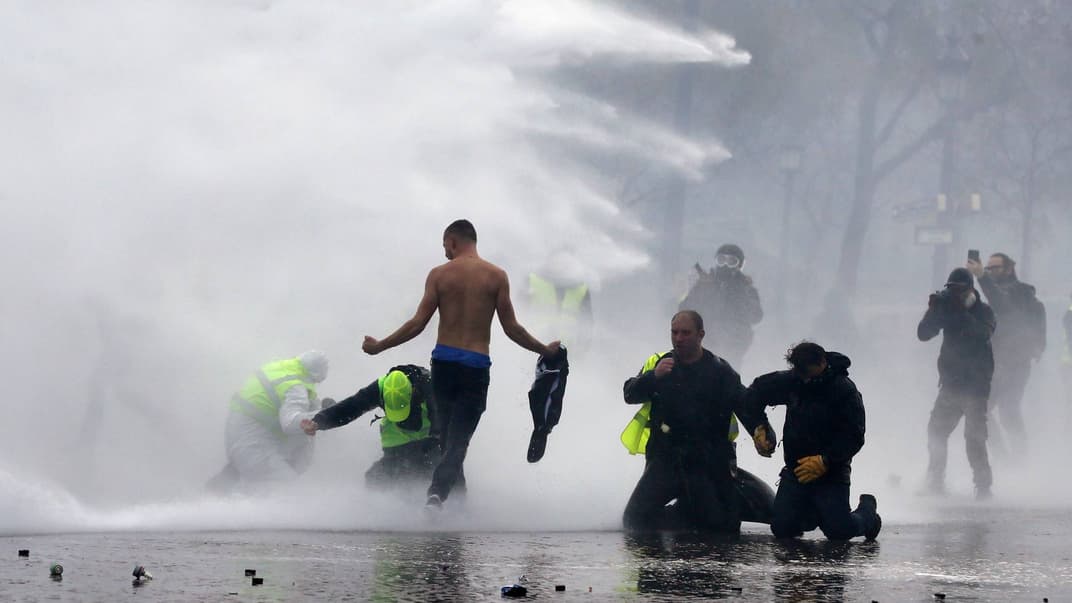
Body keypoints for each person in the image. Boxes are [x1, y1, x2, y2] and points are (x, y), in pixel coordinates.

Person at [362, 219, 560, 509]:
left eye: (444, 246)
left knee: (447, 438)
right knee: (458, 441)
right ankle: (437, 496)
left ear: (453, 241)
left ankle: (449, 499)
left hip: (443, 365)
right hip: (475, 367)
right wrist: (544, 349)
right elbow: (512, 328)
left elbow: (417, 324)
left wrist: (380, 346)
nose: (444, 252)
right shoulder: (496, 276)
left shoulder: (439, 275)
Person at [621, 310, 766, 534]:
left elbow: (745, 405)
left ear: (701, 335)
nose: (678, 338)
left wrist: (760, 431)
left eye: (685, 333)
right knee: (634, 521)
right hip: (666, 459)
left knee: (721, 527)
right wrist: (653, 377)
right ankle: (681, 517)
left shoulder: (720, 371)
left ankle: (696, 510)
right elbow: (630, 394)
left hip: (708, 461)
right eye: (674, 332)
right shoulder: (660, 364)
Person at [744, 341, 881, 541]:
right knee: (782, 528)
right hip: (796, 469)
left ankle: (868, 514)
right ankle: (811, 513)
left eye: (809, 373)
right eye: (801, 374)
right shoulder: (794, 380)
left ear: (822, 363)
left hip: (832, 473)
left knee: (838, 531)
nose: (806, 380)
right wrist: (760, 426)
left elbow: (854, 436)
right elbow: (755, 393)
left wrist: (826, 460)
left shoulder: (844, 390)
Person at [917, 268, 996, 499]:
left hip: (977, 386)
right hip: (951, 384)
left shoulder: (984, 311)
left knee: (975, 437)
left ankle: (983, 486)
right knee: (936, 432)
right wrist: (933, 312)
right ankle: (935, 479)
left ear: (971, 289)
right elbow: (923, 334)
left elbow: (981, 334)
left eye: (959, 290)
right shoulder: (947, 308)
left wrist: (960, 310)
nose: (955, 295)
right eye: (951, 289)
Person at [301, 365, 445, 488]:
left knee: (444, 473)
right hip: (396, 445)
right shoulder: (382, 387)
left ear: (413, 392)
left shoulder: (432, 388)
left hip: (430, 443)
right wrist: (318, 421)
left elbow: (445, 427)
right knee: (375, 479)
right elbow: (351, 407)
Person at [207, 350, 329, 492]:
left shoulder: (280, 370)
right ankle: (225, 508)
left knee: (267, 484)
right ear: (315, 376)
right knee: (287, 490)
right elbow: (291, 423)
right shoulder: (295, 387)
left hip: (242, 436)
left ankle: (220, 493)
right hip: (254, 444)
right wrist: (325, 414)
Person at [966, 253, 1046, 448]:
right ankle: (1014, 459)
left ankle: (1011, 461)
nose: (991, 272)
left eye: (996, 268)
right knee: (999, 411)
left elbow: (1002, 303)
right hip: (1002, 363)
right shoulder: (1007, 295)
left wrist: (981, 276)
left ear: (1009, 269)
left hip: (1012, 363)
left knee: (988, 411)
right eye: (989, 268)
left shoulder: (1016, 292)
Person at [678, 243, 762, 368]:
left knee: (729, 372)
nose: (725, 265)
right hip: (705, 339)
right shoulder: (704, 284)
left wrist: (739, 296)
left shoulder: (746, 288)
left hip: (734, 342)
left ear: (739, 265)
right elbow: (685, 309)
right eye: (721, 260)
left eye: (731, 261)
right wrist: (698, 290)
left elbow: (756, 316)